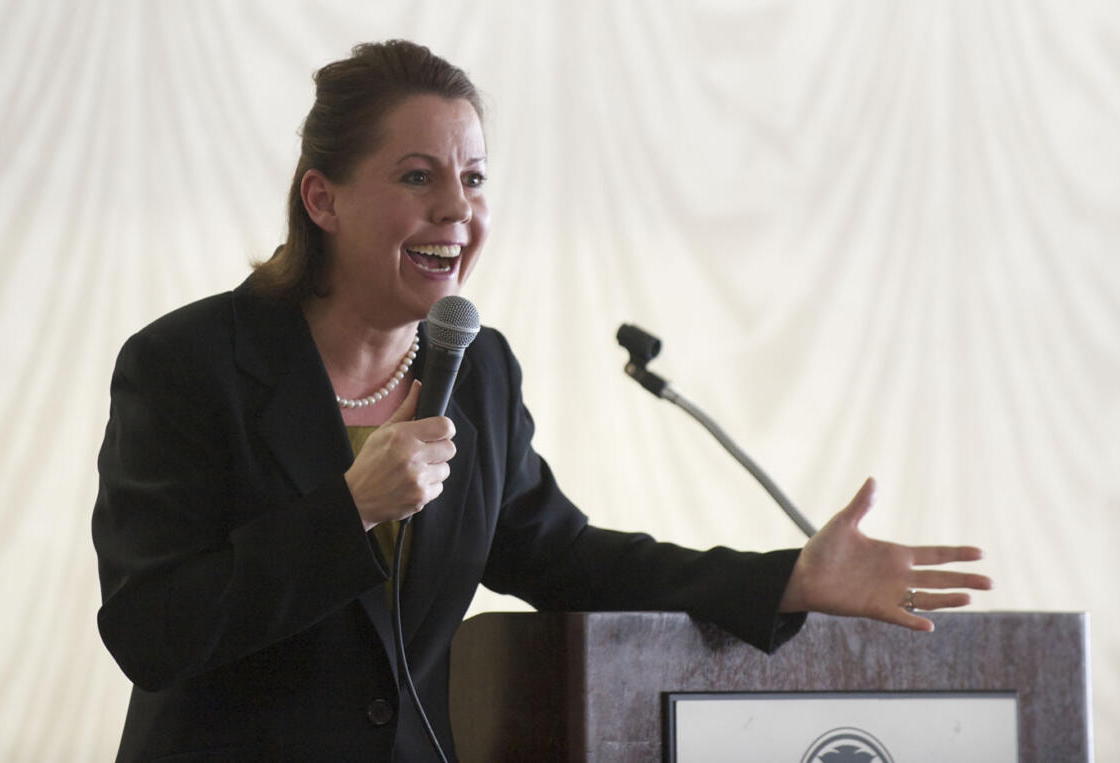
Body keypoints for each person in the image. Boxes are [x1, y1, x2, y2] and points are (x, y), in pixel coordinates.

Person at [92, 40, 991, 762]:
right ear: (322, 199)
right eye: (417, 178)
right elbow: (153, 630)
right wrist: (353, 507)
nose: (457, 209)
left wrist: (785, 577)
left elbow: (566, 558)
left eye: (474, 179)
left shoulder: (476, 369)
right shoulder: (187, 365)